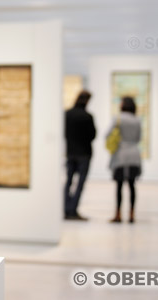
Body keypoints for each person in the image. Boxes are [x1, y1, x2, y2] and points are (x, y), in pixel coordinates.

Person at [108, 97, 142, 223]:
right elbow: (139, 138)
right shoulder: (137, 120)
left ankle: (118, 214)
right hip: (134, 154)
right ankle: (132, 214)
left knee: (119, 185)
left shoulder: (118, 119)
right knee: (132, 185)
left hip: (120, 155)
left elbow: (108, 134)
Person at [64, 90, 96, 220]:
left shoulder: (67, 114)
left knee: (69, 182)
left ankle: (67, 208)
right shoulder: (87, 116)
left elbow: (64, 132)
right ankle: (73, 209)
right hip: (84, 153)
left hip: (70, 152)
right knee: (79, 184)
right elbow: (93, 135)